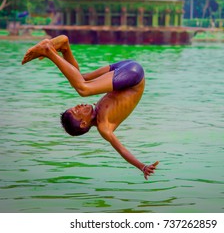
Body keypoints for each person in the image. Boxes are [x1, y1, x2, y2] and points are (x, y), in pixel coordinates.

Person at [21, 35, 158, 180]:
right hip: (133, 75)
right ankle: (49, 51)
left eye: (75, 107)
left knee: (80, 78)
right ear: (83, 123)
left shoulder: (98, 108)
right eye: (76, 111)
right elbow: (121, 150)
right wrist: (142, 166)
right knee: (84, 89)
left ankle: (65, 47)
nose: (79, 106)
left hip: (125, 70)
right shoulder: (104, 127)